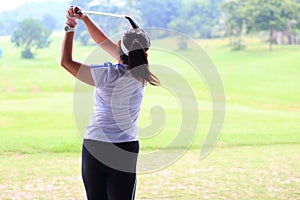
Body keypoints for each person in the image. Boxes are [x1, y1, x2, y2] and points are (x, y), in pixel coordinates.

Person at [60, 6, 160, 200]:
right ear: (145, 54)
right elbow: (106, 44)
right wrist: (86, 20)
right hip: (125, 148)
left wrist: (71, 25)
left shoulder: (105, 74)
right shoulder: (141, 75)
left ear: (119, 45)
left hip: (95, 146)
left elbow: (66, 62)